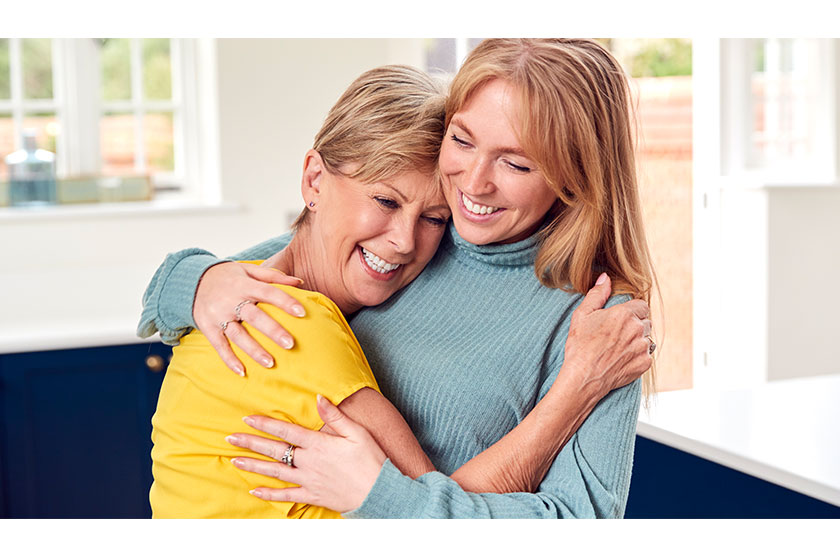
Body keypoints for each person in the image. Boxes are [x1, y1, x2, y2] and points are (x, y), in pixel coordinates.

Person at [140, 39, 656, 518]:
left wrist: (382, 497)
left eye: (516, 164)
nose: (474, 183)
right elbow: (241, 278)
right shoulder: (423, 232)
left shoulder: (600, 328)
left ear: (575, 175)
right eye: (462, 140)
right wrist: (198, 280)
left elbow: (579, 523)